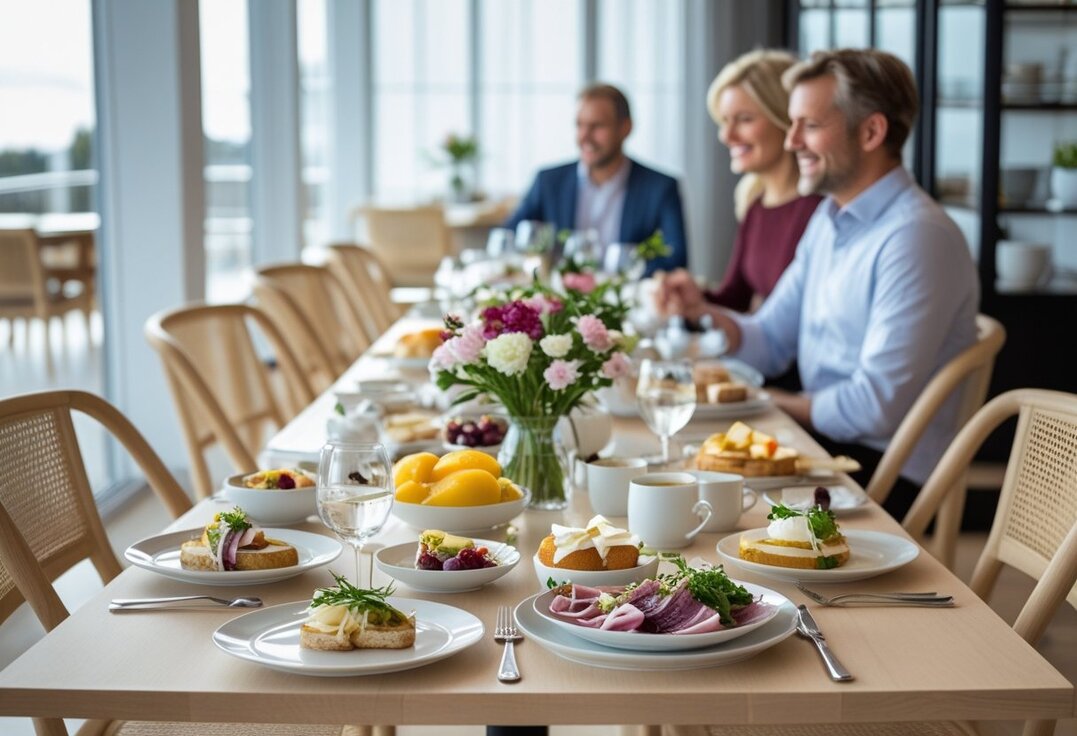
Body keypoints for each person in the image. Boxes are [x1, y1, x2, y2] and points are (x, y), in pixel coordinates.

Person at [657, 48, 980, 521]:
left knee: (691, 494)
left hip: (877, 469)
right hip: (825, 444)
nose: (791, 142)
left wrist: (764, 400)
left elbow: (873, 408)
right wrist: (703, 313)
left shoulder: (916, 237)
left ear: (871, 131)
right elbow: (769, 340)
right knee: (677, 472)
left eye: (809, 125)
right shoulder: (830, 218)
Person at [674, 49, 823, 313]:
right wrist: (690, 298)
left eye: (744, 119)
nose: (727, 135)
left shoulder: (818, 210)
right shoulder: (756, 204)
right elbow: (735, 299)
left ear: (786, 120)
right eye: (724, 121)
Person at [504, 83, 688, 275]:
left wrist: (627, 272)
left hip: (628, 299)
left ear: (625, 128)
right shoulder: (548, 182)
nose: (584, 136)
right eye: (579, 125)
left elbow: (676, 259)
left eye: (597, 126)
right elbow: (509, 239)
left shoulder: (660, 188)